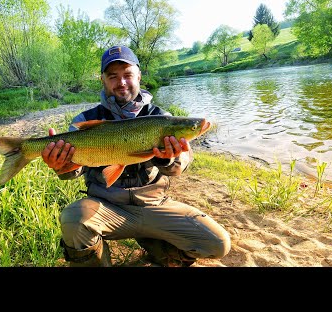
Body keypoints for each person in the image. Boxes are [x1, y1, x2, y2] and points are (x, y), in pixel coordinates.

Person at [41, 45, 231, 267]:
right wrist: (61, 166)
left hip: (153, 205)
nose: (121, 82)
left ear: (139, 76)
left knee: (218, 243)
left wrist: (165, 158)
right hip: (105, 207)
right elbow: (72, 171)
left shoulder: (161, 118)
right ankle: (98, 260)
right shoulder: (85, 119)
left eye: (127, 75)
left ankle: (158, 249)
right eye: (113, 76)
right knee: (73, 219)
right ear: (103, 80)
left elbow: (180, 167)